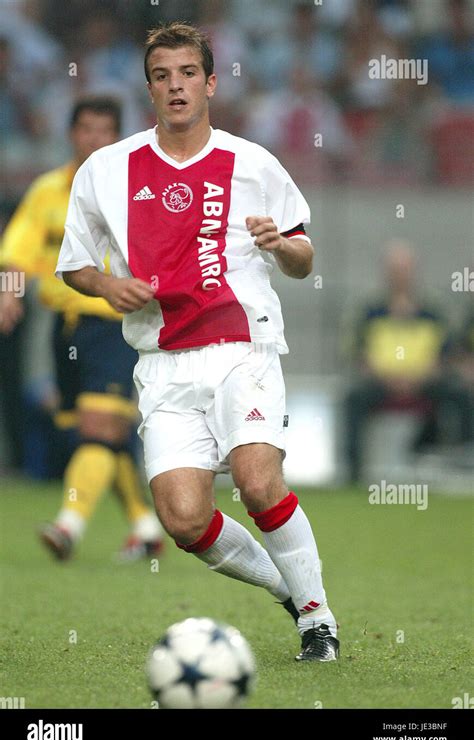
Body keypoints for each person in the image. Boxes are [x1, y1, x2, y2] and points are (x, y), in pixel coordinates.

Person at [56, 23, 338, 662]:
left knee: (257, 480)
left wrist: (282, 245)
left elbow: (304, 257)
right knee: (182, 519)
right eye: (162, 76)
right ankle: (292, 592)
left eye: (188, 73)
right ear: (149, 88)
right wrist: (106, 284)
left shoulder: (254, 162)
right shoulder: (105, 170)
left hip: (244, 345)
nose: (176, 86)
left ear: (210, 82)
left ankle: (318, 621)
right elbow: (74, 263)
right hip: (162, 360)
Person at [0, 95, 164, 561]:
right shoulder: (47, 191)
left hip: (115, 325)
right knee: (102, 436)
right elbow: (17, 250)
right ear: (71, 134)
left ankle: (67, 526)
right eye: (86, 129)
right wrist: (9, 290)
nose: (94, 139)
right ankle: (146, 526)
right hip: (65, 328)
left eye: (104, 131)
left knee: (97, 429)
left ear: (118, 137)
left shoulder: (135, 189)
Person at [344, 239, 472, 482]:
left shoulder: (433, 310)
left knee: (459, 394)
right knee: (353, 397)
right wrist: (388, 378)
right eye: (395, 270)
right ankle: (353, 474)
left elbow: (446, 354)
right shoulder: (369, 310)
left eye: (404, 270)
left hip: (425, 381)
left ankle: (462, 464)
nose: (400, 276)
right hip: (381, 382)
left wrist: (420, 377)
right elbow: (358, 353)